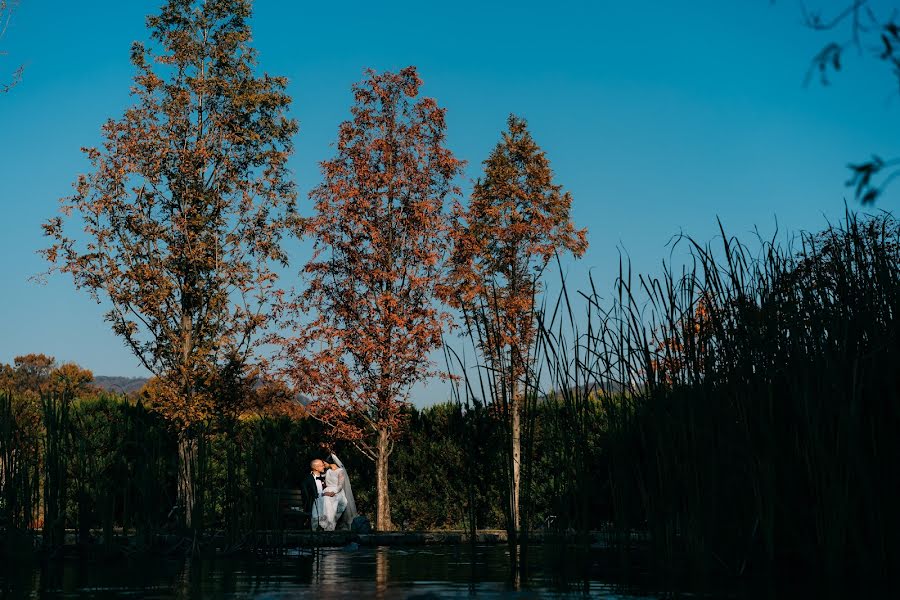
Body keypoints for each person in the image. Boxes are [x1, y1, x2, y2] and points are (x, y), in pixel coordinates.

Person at [321, 452, 359, 530]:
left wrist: (333, 492)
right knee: (325, 503)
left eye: (324, 463)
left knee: (337, 503)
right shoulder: (328, 471)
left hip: (337, 491)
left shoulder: (340, 471)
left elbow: (340, 485)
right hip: (327, 491)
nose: (323, 465)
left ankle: (330, 525)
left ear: (329, 462)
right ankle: (325, 525)